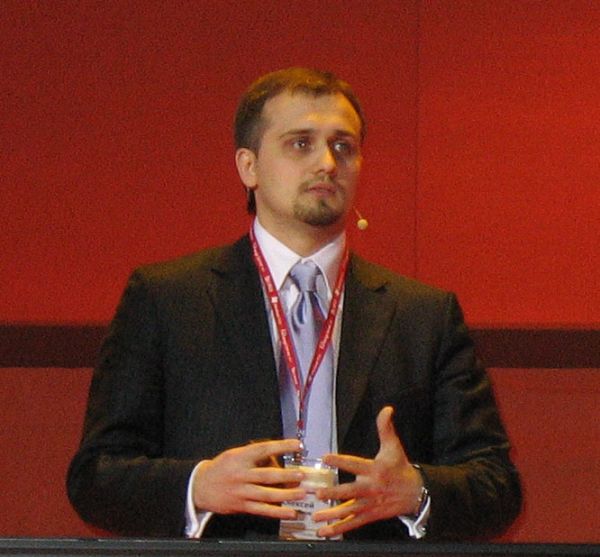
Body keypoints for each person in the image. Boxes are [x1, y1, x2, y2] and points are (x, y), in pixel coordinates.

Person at [67, 67, 521, 541]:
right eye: (300, 143)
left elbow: (497, 486)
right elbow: (96, 477)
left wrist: (416, 493)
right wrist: (198, 486)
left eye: (343, 147)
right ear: (248, 166)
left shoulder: (423, 316)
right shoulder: (167, 300)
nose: (327, 163)